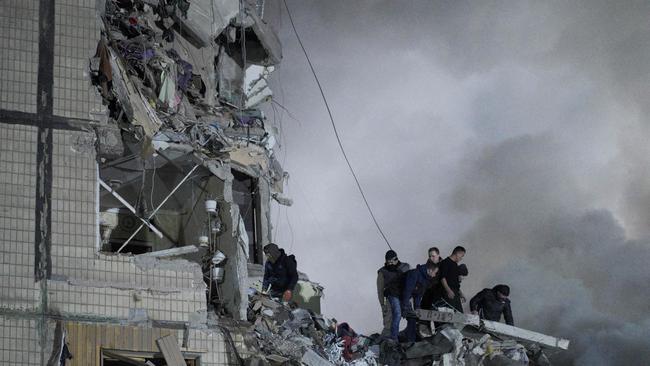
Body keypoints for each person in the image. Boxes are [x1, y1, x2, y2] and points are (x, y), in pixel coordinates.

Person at [401, 261, 439, 342]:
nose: (435, 275)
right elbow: (407, 291)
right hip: (399, 296)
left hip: (409, 297)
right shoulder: (415, 273)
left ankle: (411, 339)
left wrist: (418, 309)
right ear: (429, 270)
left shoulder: (426, 279)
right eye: (435, 272)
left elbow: (418, 295)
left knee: (414, 317)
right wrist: (405, 306)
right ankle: (410, 341)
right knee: (410, 317)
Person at [377, 250, 410, 340]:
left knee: (411, 315)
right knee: (391, 319)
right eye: (388, 262)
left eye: (392, 261)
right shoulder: (382, 272)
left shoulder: (404, 267)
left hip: (404, 296)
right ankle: (391, 340)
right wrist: (383, 305)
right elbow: (380, 291)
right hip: (389, 297)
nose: (391, 264)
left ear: (396, 259)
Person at [437, 246, 466, 313]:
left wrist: (461, 294)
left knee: (460, 315)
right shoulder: (445, 262)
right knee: (450, 315)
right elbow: (442, 278)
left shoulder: (455, 265)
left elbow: (455, 283)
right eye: (462, 256)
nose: (461, 258)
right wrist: (448, 290)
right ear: (458, 253)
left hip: (455, 293)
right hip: (448, 293)